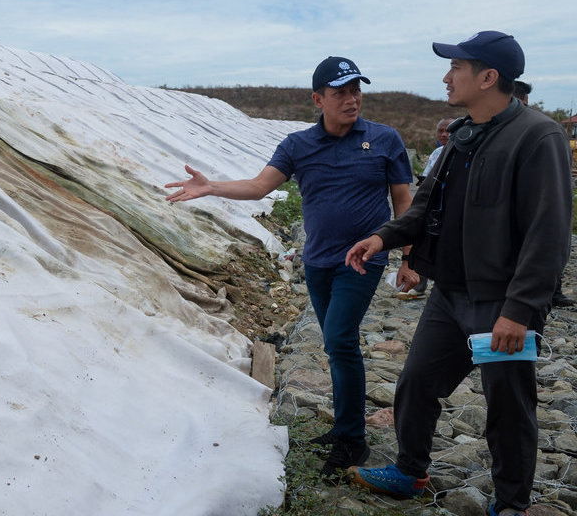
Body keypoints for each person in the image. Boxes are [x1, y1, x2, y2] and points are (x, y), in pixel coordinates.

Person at [344, 31, 571, 516]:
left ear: (488, 77)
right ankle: (410, 471)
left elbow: (548, 233)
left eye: (456, 68)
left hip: (501, 303)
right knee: (416, 384)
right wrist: (383, 238)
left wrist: (520, 310)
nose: (446, 77)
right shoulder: (462, 135)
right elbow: (424, 207)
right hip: (450, 295)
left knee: (508, 405)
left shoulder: (539, 136)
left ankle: (511, 504)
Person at [166, 56, 417, 478]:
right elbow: (259, 186)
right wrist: (211, 187)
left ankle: (352, 439)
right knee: (335, 343)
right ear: (318, 100)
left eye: (356, 90)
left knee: (340, 340)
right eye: (340, 92)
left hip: (363, 259)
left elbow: (403, 201)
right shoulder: (298, 145)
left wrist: (409, 257)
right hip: (317, 261)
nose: (352, 99)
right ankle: (345, 426)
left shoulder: (384, 139)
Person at [514, 80, 574, 308]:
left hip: (541, 195)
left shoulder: (540, 127)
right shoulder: (543, 127)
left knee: (545, 241)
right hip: (540, 196)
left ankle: (551, 291)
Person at [398, 117, 453, 301]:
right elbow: (427, 178)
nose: (444, 134)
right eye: (440, 131)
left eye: (448, 130)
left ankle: (444, 289)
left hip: (452, 208)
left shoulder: (466, 151)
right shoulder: (436, 153)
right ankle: (420, 284)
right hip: (433, 206)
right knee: (424, 243)